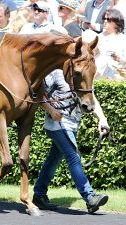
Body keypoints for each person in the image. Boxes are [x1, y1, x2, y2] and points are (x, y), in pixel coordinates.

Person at [32, 68, 110, 213]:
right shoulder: (55, 73)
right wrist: (51, 111)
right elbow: (38, 94)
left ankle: (39, 195)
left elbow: (91, 98)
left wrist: (102, 119)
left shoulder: (81, 75)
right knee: (74, 157)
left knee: (53, 159)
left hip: (72, 125)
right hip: (58, 125)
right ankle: (90, 197)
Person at [94, 8, 126, 80]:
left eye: (108, 20)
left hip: (116, 79)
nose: (105, 21)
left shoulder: (124, 40)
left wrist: (119, 58)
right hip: (98, 77)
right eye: (104, 19)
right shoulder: (98, 37)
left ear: (116, 22)